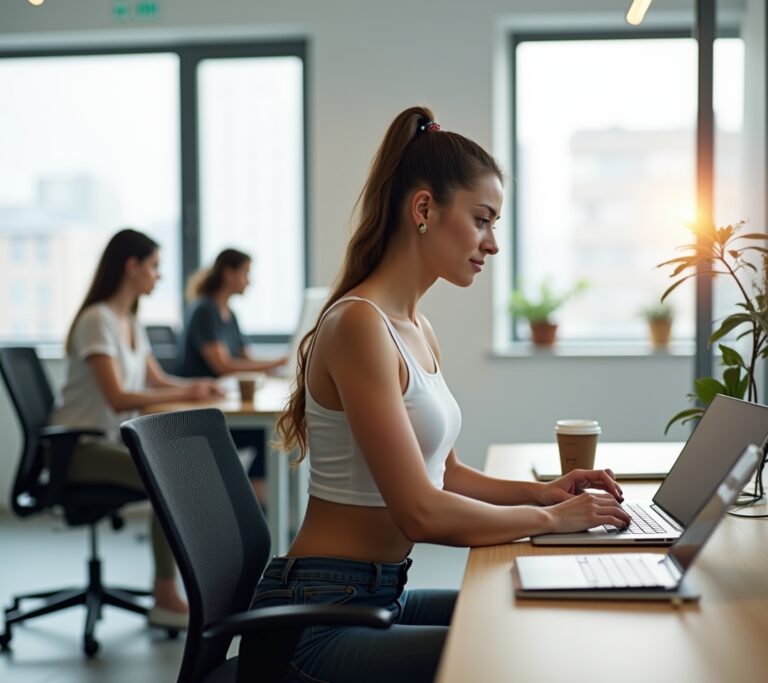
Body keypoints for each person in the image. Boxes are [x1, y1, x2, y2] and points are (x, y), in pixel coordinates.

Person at [253, 106, 632, 683]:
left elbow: (444, 474)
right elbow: (419, 511)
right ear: (424, 209)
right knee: (513, 658)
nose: (492, 243)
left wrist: (543, 492)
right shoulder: (359, 324)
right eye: (482, 219)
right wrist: (551, 518)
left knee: (533, 617)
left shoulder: (415, 326)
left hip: (377, 594)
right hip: (319, 616)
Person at [51, 228, 224, 630]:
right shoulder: (98, 321)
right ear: (131, 266)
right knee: (173, 478)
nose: (158, 276)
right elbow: (117, 396)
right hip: (78, 449)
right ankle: (166, 596)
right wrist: (187, 394)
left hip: (108, 444)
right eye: (154, 266)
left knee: (182, 468)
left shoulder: (129, 319)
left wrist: (194, 389)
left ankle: (180, 588)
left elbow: (156, 380)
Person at [176, 248, 288, 505]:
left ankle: (258, 503)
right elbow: (223, 365)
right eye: (246, 273)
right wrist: (277, 361)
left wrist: (282, 360)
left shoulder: (229, 314)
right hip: (201, 412)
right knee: (270, 434)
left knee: (274, 432)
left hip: (222, 405)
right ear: (228, 273)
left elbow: (246, 358)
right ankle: (259, 503)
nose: (249, 281)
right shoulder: (204, 310)